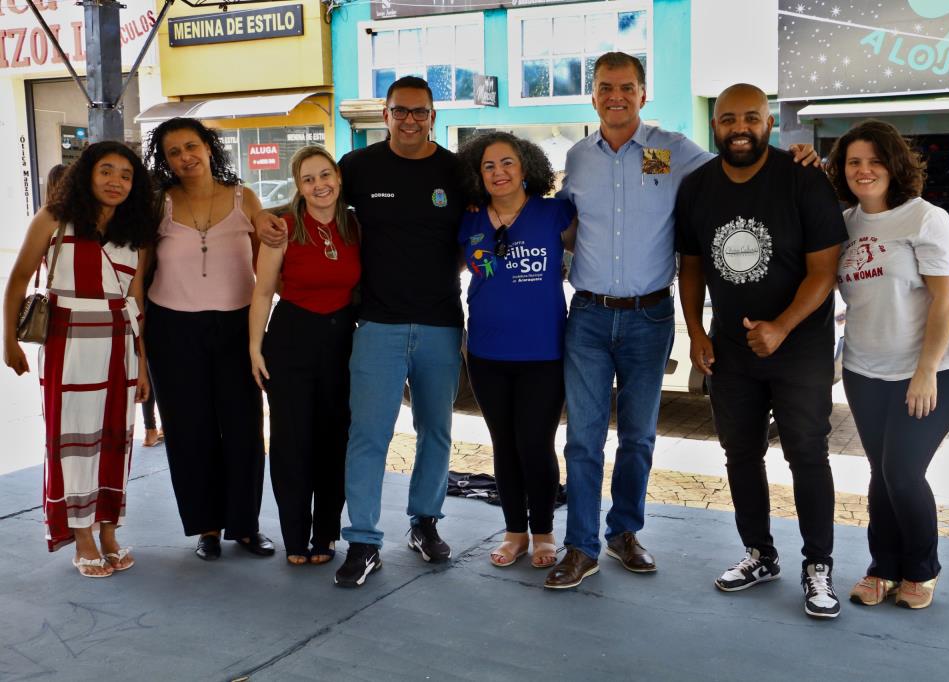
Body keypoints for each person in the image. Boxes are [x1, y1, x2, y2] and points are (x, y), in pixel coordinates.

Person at [544, 54, 819, 590]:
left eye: (627, 87)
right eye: (606, 87)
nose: (616, 96)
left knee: (639, 437)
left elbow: (741, 163)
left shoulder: (671, 151)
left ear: (643, 94)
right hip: (589, 316)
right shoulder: (577, 158)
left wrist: (795, 157)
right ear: (592, 95)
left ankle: (624, 532)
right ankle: (580, 547)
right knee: (582, 439)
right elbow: (566, 224)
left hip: (649, 316)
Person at [256, 77, 465, 588]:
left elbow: (474, 232)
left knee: (436, 432)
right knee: (368, 435)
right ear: (386, 115)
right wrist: (261, 216)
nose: (410, 120)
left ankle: (424, 523)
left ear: (433, 116)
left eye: (420, 111)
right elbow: (312, 198)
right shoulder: (359, 166)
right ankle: (364, 541)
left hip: (440, 323)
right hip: (376, 324)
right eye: (400, 111)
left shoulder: (455, 171)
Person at [676, 83, 847, 619]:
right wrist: (696, 333)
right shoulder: (697, 187)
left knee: (807, 454)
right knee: (741, 454)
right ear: (715, 126)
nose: (739, 128)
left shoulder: (802, 178)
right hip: (731, 350)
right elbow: (691, 267)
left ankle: (818, 565)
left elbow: (825, 270)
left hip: (801, 347)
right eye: (728, 119)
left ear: (769, 123)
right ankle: (759, 554)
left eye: (751, 117)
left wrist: (781, 327)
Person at [826, 120, 949, 610]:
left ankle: (922, 569)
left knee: (902, 473)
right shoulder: (845, 224)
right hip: (865, 372)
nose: (864, 170)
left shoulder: (925, 219)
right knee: (880, 473)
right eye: (854, 162)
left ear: (894, 165)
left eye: (875, 160)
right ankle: (882, 567)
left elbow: (946, 299)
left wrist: (925, 371)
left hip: (932, 373)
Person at [3, 141, 155, 577]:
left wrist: (142, 364)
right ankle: (82, 536)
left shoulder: (136, 232)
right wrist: (8, 341)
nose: (116, 181)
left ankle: (108, 530)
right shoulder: (54, 219)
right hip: (67, 341)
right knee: (72, 441)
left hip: (119, 345)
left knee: (115, 440)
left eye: (126, 175)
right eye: (106, 170)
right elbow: (17, 280)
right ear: (87, 173)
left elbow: (136, 301)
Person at [144, 117, 274, 561]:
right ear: (165, 160)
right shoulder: (158, 203)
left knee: (244, 428)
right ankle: (207, 528)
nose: (185, 157)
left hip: (236, 328)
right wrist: (137, 343)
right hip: (172, 330)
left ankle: (245, 526)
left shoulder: (244, 198)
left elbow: (267, 271)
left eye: (191, 146)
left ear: (208, 147)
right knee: (189, 431)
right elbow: (140, 272)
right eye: (174, 152)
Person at [456, 132, 576, 569]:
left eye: (507, 162)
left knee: (535, 444)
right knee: (504, 445)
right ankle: (514, 534)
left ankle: (543, 532)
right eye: (488, 166)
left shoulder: (554, 213)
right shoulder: (469, 220)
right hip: (486, 354)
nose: (499, 172)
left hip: (544, 353)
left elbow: (597, 248)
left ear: (526, 167)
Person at [250, 146, 360, 566]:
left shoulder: (355, 226)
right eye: (308, 179)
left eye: (325, 175)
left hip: (341, 344)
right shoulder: (284, 228)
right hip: (291, 340)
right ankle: (295, 535)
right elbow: (263, 292)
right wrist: (254, 347)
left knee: (335, 441)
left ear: (338, 177)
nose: (319, 185)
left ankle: (326, 532)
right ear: (298, 187)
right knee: (292, 442)